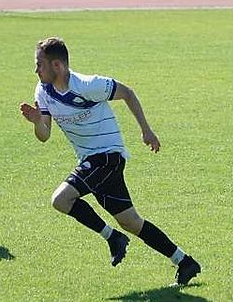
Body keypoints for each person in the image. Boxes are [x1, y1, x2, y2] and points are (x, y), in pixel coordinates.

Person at [19, 37, 202, 286]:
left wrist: (146, 131)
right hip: (91, 161)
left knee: (60, 200)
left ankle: (113, 238)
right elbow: (44, 136)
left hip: (107, 157)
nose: (36, 70)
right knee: (131, 222)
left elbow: (127, 93)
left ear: (57, 65)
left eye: (39, 64)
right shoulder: (43, 91)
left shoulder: (88, 85)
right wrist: (36, 122)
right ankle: (184, 261)